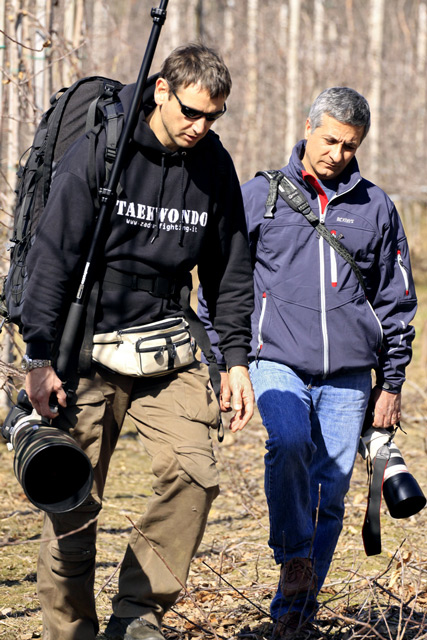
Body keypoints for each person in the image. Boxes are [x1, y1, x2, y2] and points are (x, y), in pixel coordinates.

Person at [20, 43, 254, 640]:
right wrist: (40, 357)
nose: (201, 128)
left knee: (195, 475)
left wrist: (235, 361)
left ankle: (136, 615)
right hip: (88, 346)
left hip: (168, 344)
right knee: (71, 502)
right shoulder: (102, 150)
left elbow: (229, 272)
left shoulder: (213, 166)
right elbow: (53, 255)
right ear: (161, 92)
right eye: (192, 113)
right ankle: (70, 632)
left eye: (214, 117)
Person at [200, 87, 417, 638]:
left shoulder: (377, 207)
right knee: (289, 442)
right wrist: (226, 362)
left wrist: (390, 383)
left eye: (350, 145)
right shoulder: (260, 195)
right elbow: (220, 281)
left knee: (332, 491)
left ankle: (293, 617)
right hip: (276, 357)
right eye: (329, 140)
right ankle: (295, 555)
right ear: (307, 127)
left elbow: (396, 302)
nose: (337, 154)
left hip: (349, 372)